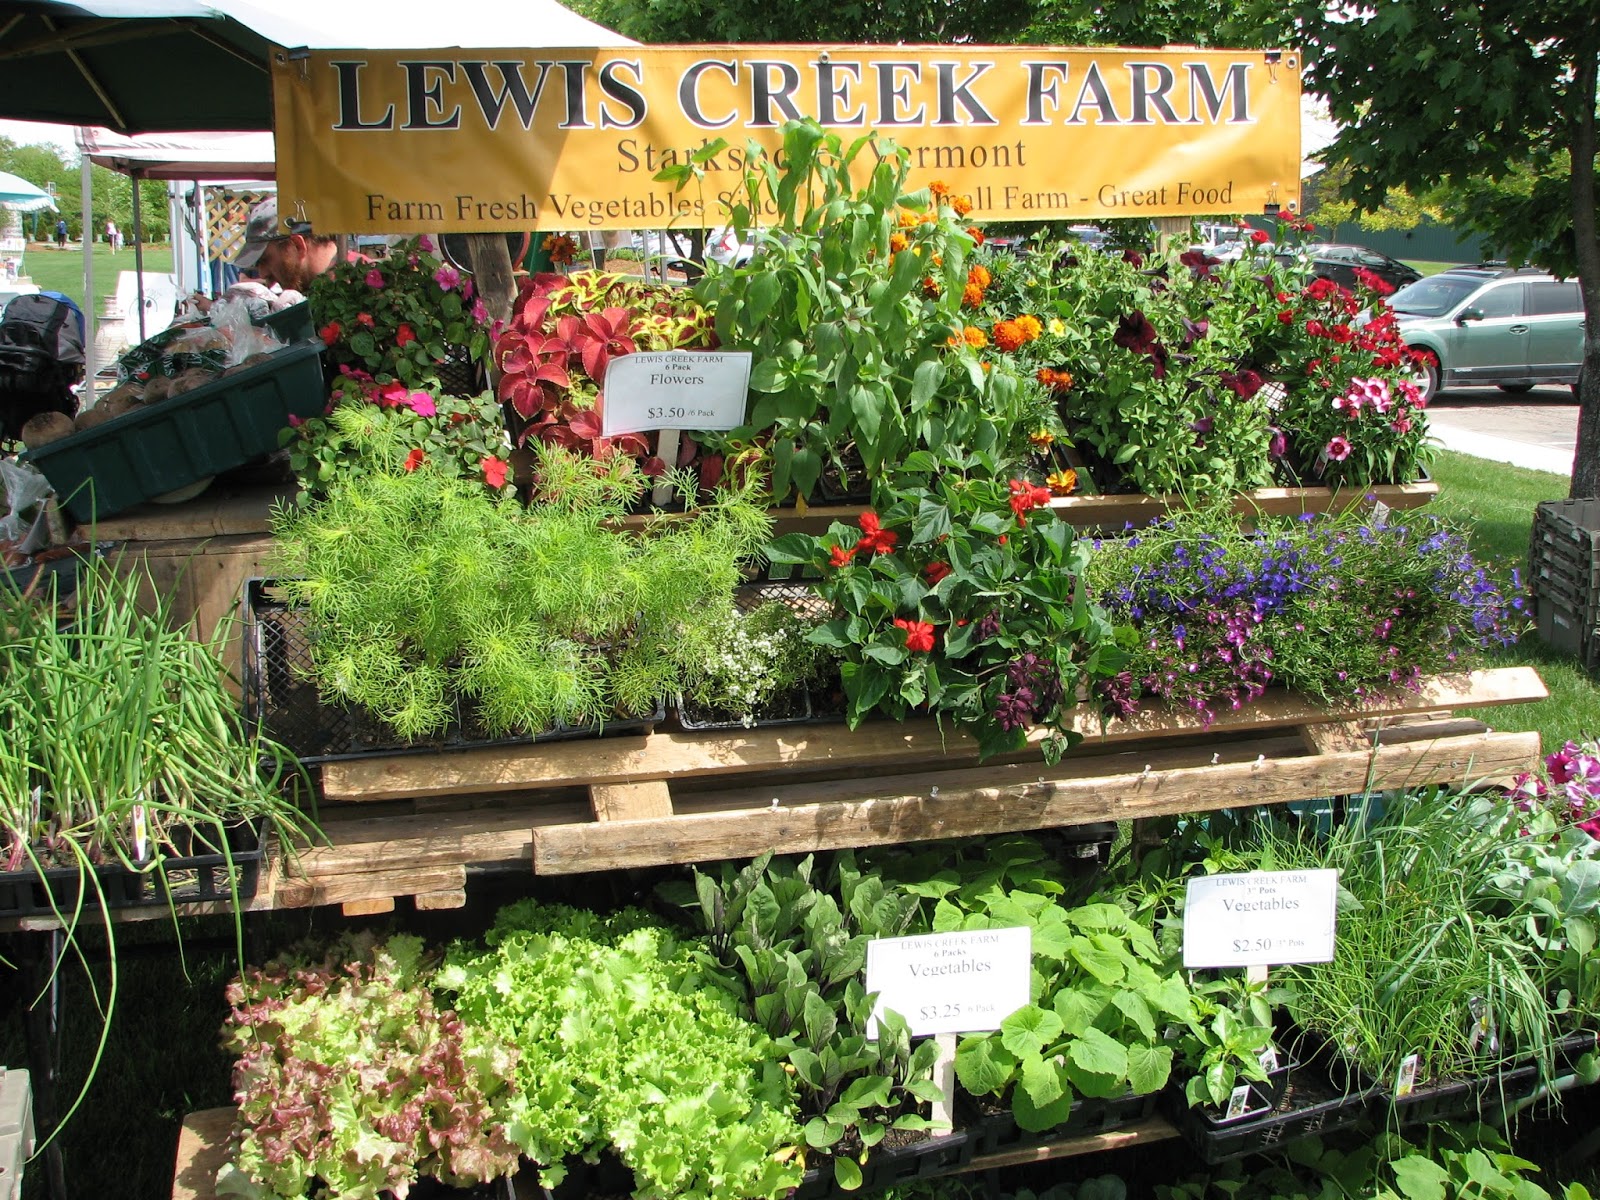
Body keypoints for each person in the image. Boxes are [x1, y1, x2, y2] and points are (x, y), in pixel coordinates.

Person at [233, 196, 339, 293]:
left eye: (265, 260)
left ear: (298, 246)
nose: (262, 274)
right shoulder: (323, 293)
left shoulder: (352, 288)